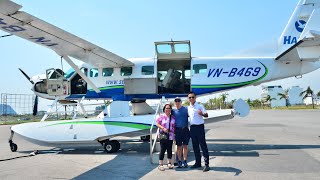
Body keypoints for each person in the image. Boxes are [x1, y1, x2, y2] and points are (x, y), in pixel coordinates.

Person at [188, 91, 210, 172]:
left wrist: (202, 114)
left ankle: (207, 164)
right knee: (195, 146)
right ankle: (198, 163)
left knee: (203, 146)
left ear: (195, 97)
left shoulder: (200, 106)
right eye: (189, 97)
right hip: (192, 128)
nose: (191, 98)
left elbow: (207, 115)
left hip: (200, 127)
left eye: (192, 97)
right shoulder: (188, 108)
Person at [156, 104, 176, 171]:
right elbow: (157, 123)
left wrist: (174, 134)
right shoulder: (161, 116)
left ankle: (169, 163)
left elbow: (174, 126)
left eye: (169, 108)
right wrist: (163, 128)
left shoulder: (172, 117)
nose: (168, 109)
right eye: (166, 108)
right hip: (163, 135)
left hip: (170, 135)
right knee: (163, 149)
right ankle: (160, 164)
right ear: (164, 109)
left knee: (169, 149)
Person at [172, 97, 190, 168]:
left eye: (178, 101)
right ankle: (179, 161)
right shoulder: (173, 111)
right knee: (179, 146)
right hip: (178, 130)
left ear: (181, 102)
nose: (177, 102)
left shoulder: (186, 109)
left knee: (185, 146)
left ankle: (185, 161)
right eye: (176, 101)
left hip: (185, 129)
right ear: (174, 102)